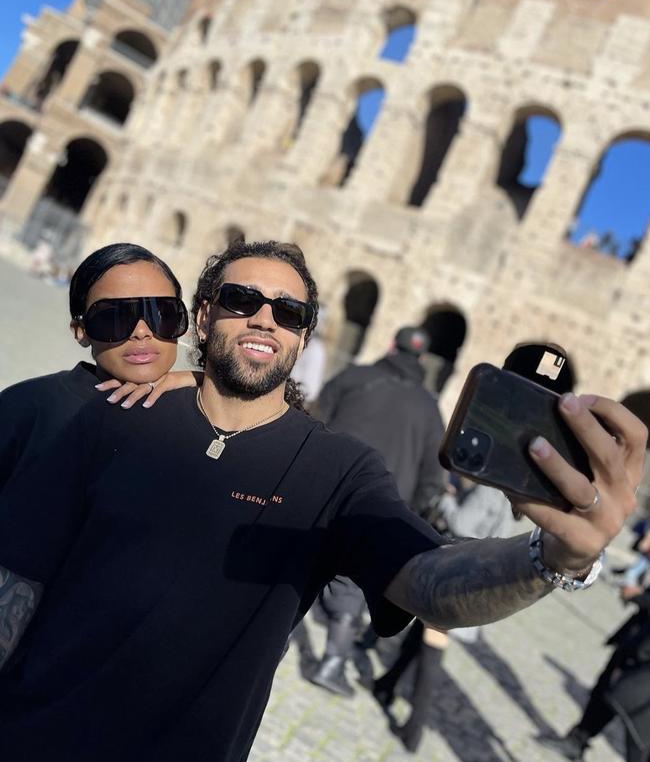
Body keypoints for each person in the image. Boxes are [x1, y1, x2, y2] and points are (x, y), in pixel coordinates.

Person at [0, 239, 645, 762]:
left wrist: (553, 556)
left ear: (304, 338)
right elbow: (19, 582)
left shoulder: (340, 470)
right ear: (203, 316)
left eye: (290, 312)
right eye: (241, 299)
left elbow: (429, 582)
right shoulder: (118, 413)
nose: (265, 319)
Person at [309, 325, 447, 696]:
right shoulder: (429, 410)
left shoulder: (355, 377)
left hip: (324, 488)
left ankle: (274, 643)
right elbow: (434, 476)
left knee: (299, 564)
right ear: (421, 360)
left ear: (390, 346)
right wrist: (407, 513)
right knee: (352, 584)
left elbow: (314, 419)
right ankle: (332, 662)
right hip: (379, 510)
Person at [0, 242, 196, 493]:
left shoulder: (205, 419)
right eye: (114, 317)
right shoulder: (26, 407)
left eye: (161, 313)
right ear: (81, 331)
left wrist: (199, 380)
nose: (141, 332)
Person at [373, 480, 513, 753]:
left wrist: (447, 498)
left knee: (432, 649)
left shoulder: (490, 490)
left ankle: (414, 729)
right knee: (420, 634)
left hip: (457, 580)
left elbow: (461, 523)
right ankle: (387, 684)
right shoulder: (506, 493)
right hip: (471, 580)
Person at [537, 583, 650, 762]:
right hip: (637, 641)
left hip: (642, 657)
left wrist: (640, 598)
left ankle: (578, 739)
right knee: (605, 693)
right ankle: (578, 739)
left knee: (636, 729)